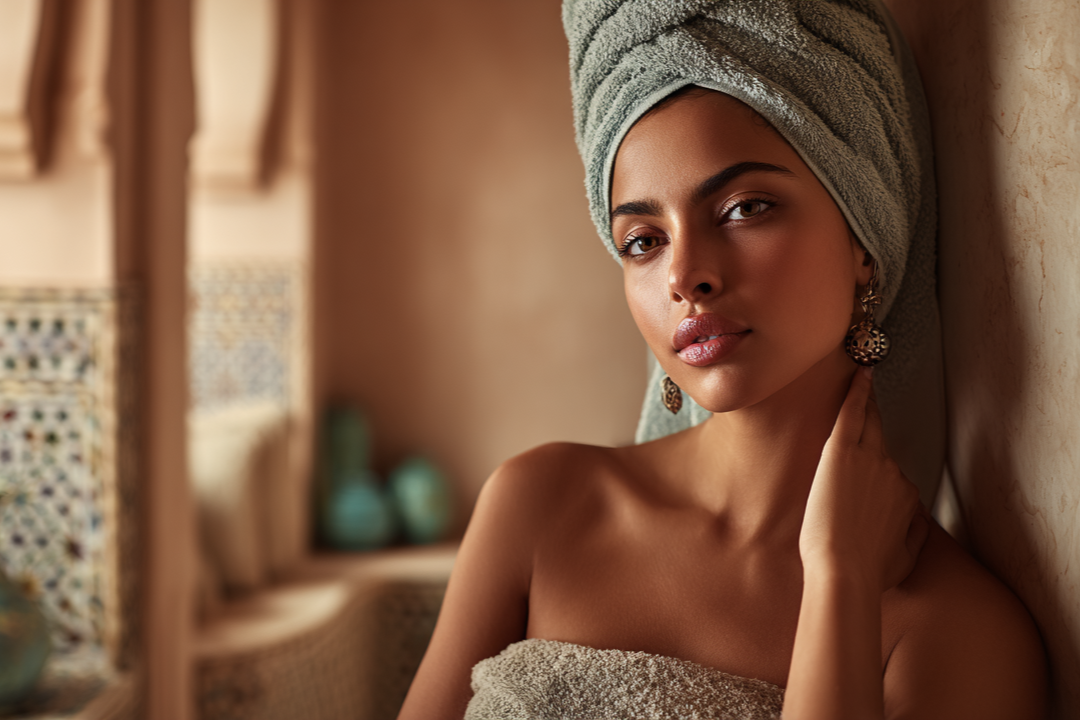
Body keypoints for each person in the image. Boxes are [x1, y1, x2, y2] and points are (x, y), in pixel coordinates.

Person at [398, 1, 1047, 718]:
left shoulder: (962, 632)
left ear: (865, 236)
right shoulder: (539, 507)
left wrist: (841, 586)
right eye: (644, 240)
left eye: (744, 208)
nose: (685, 276)